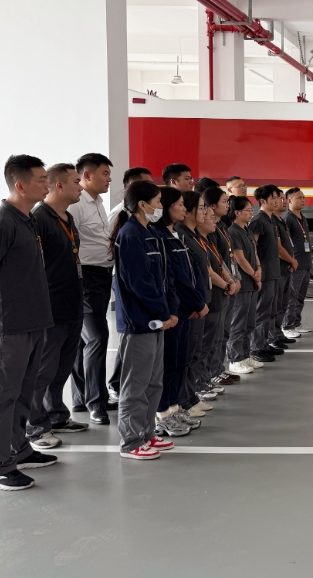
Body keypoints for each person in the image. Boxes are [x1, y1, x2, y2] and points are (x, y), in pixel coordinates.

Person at [0, 155, 59, 490]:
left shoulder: (27, 219)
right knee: (1, 395)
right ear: (20, 185)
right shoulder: (1, 224)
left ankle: (18, 449)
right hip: (9, 325)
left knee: (23, 392)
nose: (47, 185)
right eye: (41, 180)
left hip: (33, 321)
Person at [110, 181, 177, 459]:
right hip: (140, 322)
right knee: (135, 385)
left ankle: (146, 433)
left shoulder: (149, 233)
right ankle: (131, 441)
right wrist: (162, 312)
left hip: (157, 319)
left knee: (153, 382)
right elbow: (138, 282)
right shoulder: (129, 235)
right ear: (142, 204)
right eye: (158, 201)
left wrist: (170, 310)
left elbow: (163, 277)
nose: (161, 207)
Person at [27, 164, 89, 452]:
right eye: (76, 182)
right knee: (43, 371)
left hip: (72, 304)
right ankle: (35, 427)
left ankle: (56, 415)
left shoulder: (67, 217)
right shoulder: (40, 218)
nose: (80, 187)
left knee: (62, 367)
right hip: (51, 308)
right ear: (59, 186)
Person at [150, 188, 207, 432]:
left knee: (179, 362)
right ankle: (162, 414)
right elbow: (176, 279)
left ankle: (174, 409)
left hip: (186, 310)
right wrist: (196, 303)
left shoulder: (175, 235)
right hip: (175, 311)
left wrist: (198, 301)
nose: (184, 209)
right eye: (180, 204)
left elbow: (192, 273)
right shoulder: (160, 236)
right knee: (168, 364)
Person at [68, 153, 115, 426]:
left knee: (82, 339)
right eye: (105, 173)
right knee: (97, 336)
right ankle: (96, 402)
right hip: (85, 277)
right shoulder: (77, 205)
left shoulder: (97, 202)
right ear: (87, 175)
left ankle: (80, 397)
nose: (109, 179)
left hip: (101, 276)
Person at [107, 165, 155, 402]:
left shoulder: (146, 221)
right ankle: (117, 384)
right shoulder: (123, 220)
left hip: (143, 281)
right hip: (127, 279)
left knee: (142, 344)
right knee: (132, 336)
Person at [175, 192, 217, 414]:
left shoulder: (195, 236)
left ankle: (191, 396)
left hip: (202, 301)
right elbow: (186, 276)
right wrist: (196, 302)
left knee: (195, 352)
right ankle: (184, 400)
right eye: (200, 208)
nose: (204, 211)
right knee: (187, 355)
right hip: (192, 306)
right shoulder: (182, 236)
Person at [202, 186, 241, 386]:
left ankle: (218, 368)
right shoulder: (210, 231)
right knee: (213, 335)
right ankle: (211, 372)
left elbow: (227, 259)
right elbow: (215, 263)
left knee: (223, 332)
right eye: (224, 201)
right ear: (211, 205)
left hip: (227, 284)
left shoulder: (222, 227)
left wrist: (234, 279)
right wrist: (228, 281)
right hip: (218, 287)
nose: (228, 205)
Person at [198, 209, 235, 394]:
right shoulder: (195, 241)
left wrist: (230, 281)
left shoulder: (208, 240)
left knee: (218, 338)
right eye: (210, 218)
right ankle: (201, 381)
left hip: (220, 295)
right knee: (205, 344)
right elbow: (209, 271)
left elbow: (220, 265)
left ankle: (210, 375)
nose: (215, 221)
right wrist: (226, 284)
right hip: (211, 298)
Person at [250, 185, 285, 362]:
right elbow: (252, 247)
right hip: (265, 274)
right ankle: (256, 348)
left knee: (270, 311)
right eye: (274, 198)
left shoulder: (271, 220)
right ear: (263, 201)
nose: (278, 201)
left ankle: (264, 343)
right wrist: (257, 269)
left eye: (278, 197)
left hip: (274, 272)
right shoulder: (258, 221)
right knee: (261, 312)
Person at [227, 196, 262, 373]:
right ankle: (235, 359)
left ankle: (246, 355)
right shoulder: (233, 232)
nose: (251, 213)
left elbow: (254, 253)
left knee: (249, 322)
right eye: (248, 210)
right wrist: (254, 275)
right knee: (238, 323)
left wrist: (259, 270)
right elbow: (239, 259)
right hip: (244, 283)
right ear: (237, 213)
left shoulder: (246, 230)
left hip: (252, 282)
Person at [282, 187, 312, 336]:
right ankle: (287, 326)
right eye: (299, 198)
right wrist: (290, 260)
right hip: (295, 264)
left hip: (305, 263)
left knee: (300, 296)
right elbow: (285, 242)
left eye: (303, 197)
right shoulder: (288, 218)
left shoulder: (302, 218)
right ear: (289, 201)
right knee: (291, 296)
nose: (302, 200)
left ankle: (296, 322)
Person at [272, 189, 299, 344]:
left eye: (284, 199)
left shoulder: (281, 220)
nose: (284, 202)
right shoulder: (272, 221)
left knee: (283, 303)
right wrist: (291, 260)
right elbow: (278, 247)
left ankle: (278, 333)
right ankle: (272, 337)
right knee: (275, 306)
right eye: (280, 199)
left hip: (286, 268)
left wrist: (291, 260)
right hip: (278, 268)